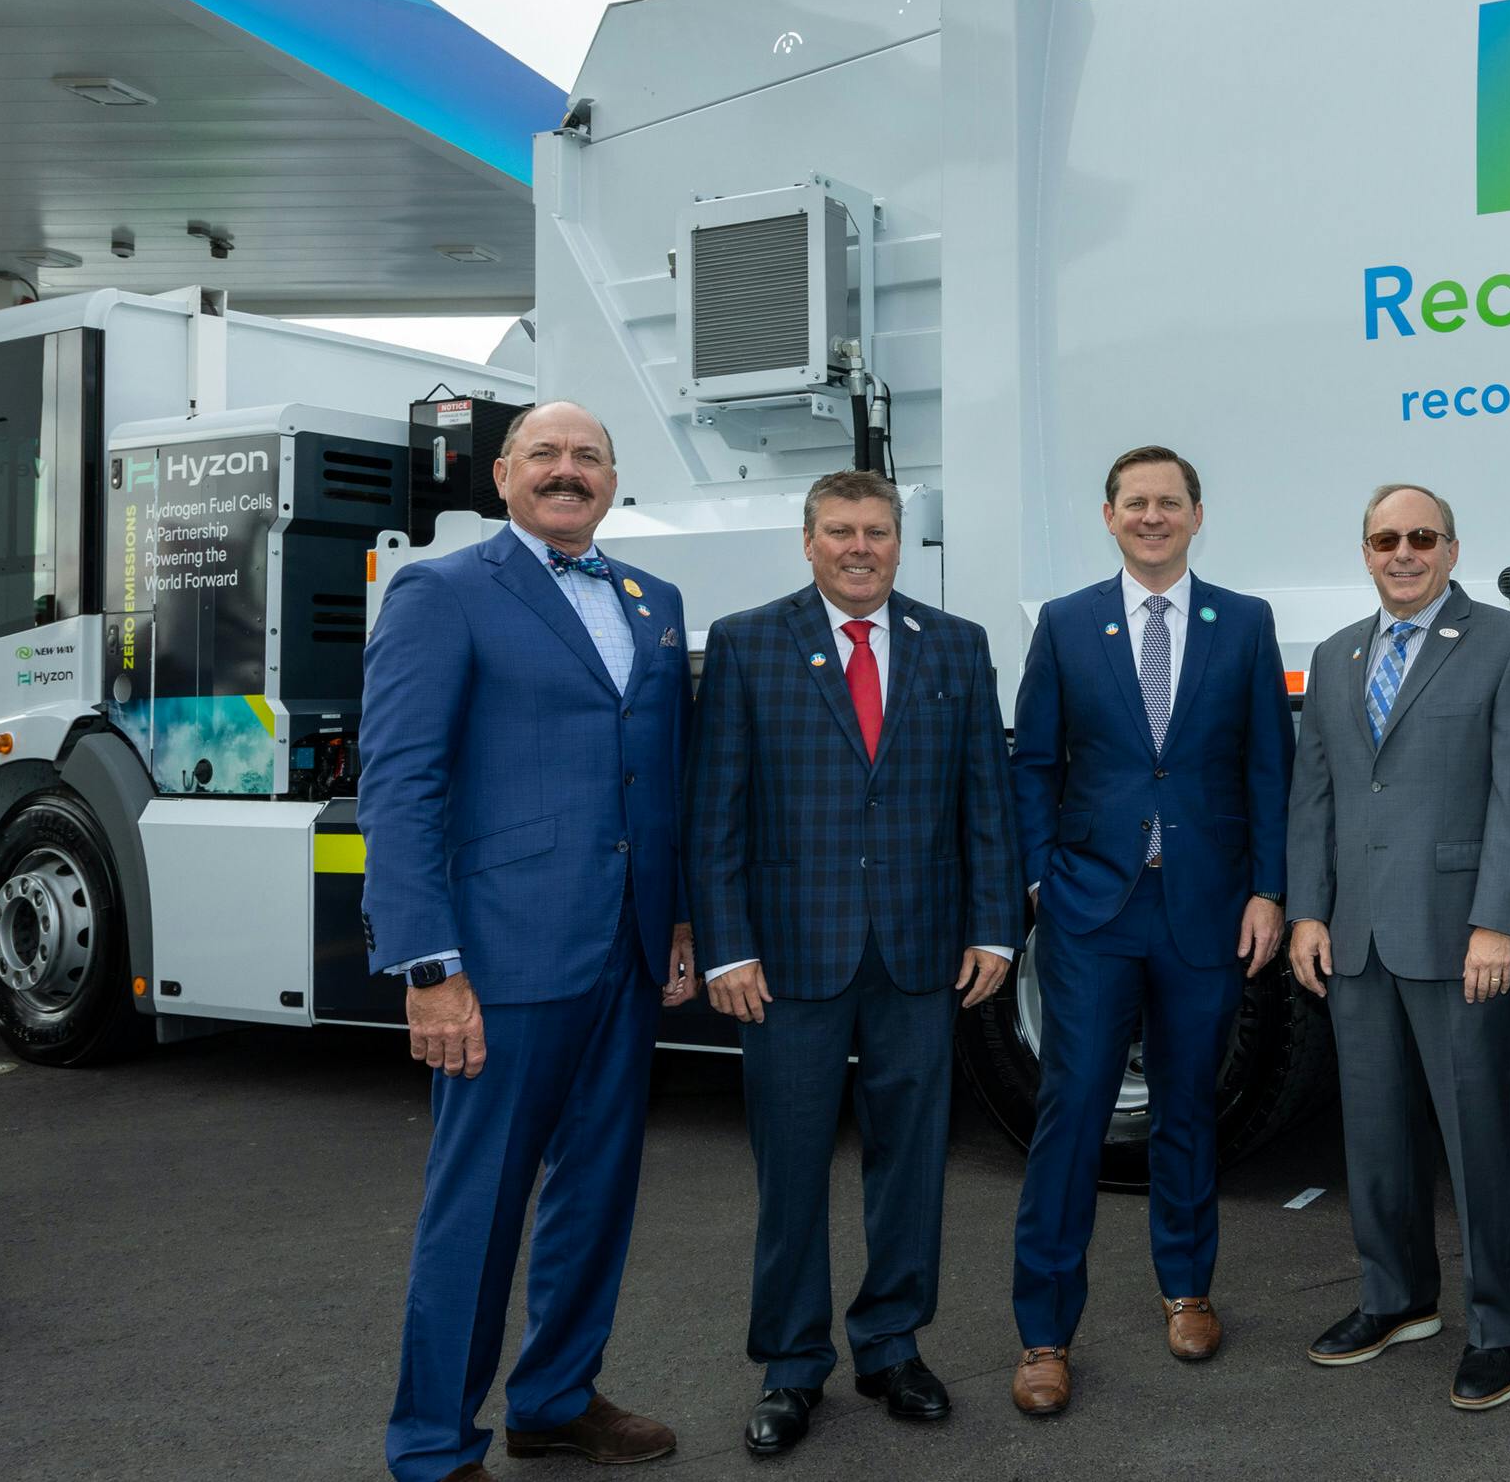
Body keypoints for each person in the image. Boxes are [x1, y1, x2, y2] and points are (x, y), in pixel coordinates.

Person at [363, 401, 698, 1482]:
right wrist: (429, 966)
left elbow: (663, 782)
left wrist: (680, 918)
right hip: (502, 957)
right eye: (544, 455)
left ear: (612, 480)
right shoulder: (443, 592)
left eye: (587, 457)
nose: (567, 471)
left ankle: (554, 1398)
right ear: (500, 475)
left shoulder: (653, 600)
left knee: (597, 1192)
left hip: (627, 949)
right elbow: (400, 786)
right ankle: (430, 1442)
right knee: (479, 1206)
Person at [687, 470, 1024, 1456]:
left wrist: (995, 930)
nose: (861, 547)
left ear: (899, 541)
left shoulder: (954, 646)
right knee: (789, 1167)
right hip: (787, 959)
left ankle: (890, 1345)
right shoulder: (750, 644)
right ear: (808, 540)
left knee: (912, 1163)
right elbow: (715, 813)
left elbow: (986, 805)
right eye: (841, 531)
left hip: (920, 955)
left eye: (878, 531)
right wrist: (728, 947)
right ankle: (791, 1366)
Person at [1006, 445, 1292, 1414]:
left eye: (1170, 503)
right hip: (1093, 911)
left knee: (1187, 1108)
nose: (1153, 517)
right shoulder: (1067, 623)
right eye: (1137, 503)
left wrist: (1269, 891)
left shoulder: (1244, 624)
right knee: (1073, 1111)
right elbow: (1034, 760)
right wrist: (1042, 874)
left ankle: (1188, 1288)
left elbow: (1267, 769)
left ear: (1197, 515)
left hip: (1206, 910)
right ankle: (1045, 1333)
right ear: (1109, 515)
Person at [1284, 484, 1510, 1411]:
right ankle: (1395, 1299)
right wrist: (1308, 911)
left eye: (1421, 538)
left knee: (1477, 1138)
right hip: (1356, 935)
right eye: (1384, 539)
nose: (1403, 553)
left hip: (1458, 935)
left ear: (1451, 548)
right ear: (1364, 552)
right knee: (1374, 1136)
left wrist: (1500, 921)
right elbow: (1315, 794)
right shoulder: (1334, 655)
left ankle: (1496, 1329)